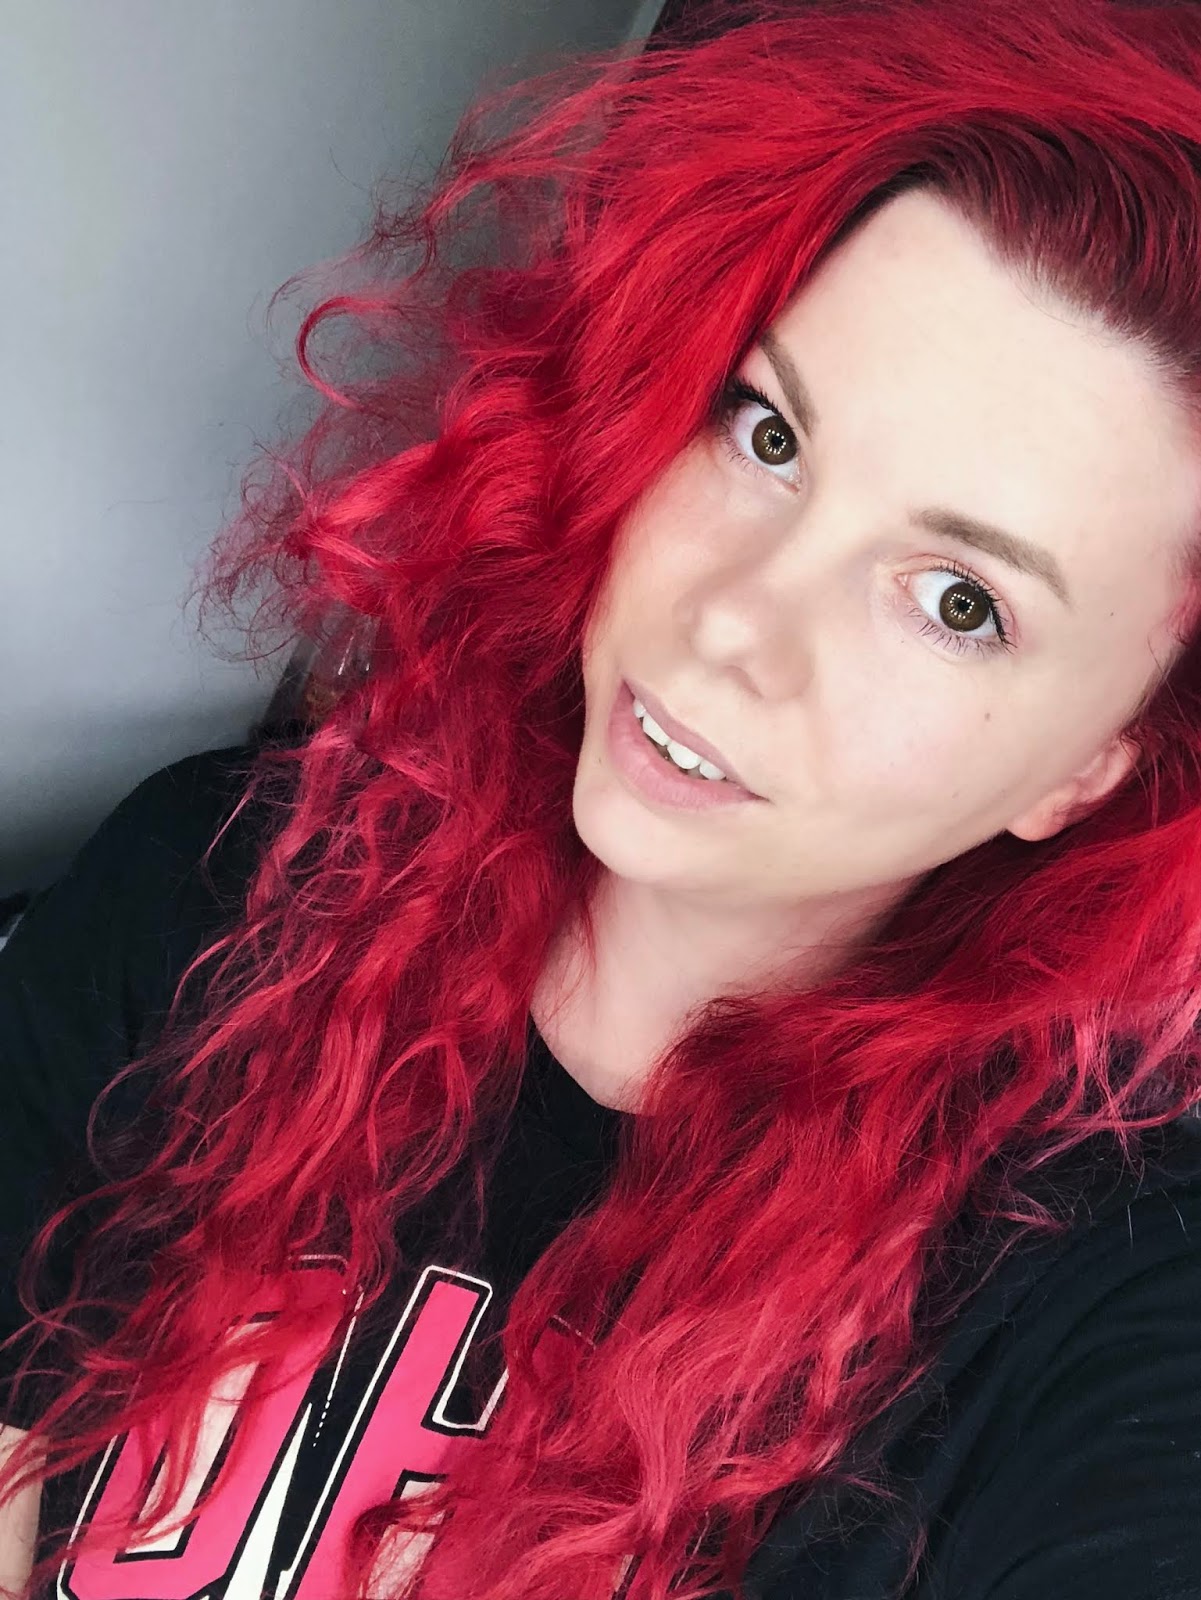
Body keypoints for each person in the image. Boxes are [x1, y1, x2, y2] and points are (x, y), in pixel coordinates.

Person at [4, 0, 1201, 1595]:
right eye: (765, 434)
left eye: (956, 600)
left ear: (1092, 765)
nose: (731, 622)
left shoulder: (1087, 1291)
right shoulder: (222, 886)